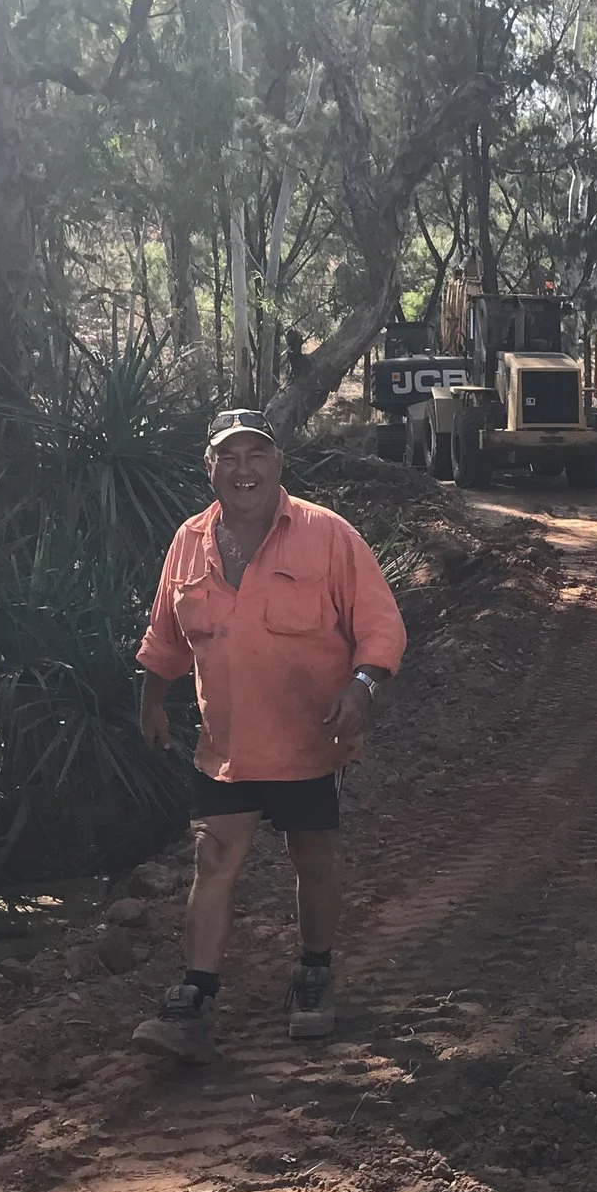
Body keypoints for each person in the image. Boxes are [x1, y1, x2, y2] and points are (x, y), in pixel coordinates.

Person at [130, 410, 406, 1061]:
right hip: (225, 747)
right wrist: (152, 702)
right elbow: (166, 637)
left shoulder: (328, 537)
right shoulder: (188, 542)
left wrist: (362, 688)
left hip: (311, 741)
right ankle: (195, 999)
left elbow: (381, 626)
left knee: (313, 860)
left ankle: (314, 973)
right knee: (213, 860)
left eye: (257, 454)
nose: (244, 469)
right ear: (210, 468)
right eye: (230, 457)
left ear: (279, 463)